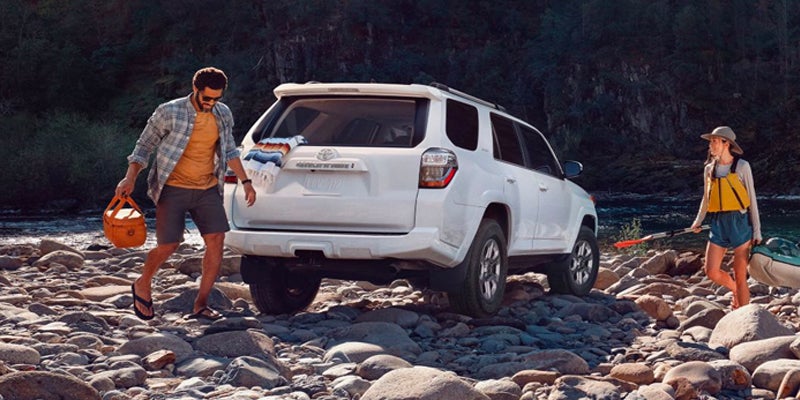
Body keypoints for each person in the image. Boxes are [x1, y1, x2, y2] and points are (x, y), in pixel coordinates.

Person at [115, 67, 256, 321]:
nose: (211, 103)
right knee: (169, 245)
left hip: (207, 188)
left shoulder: (223, 113)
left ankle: (201, 304)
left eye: (216, 99)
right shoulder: (169, 111)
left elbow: (230, 150)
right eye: (207, 98)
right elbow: (144, 146)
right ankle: (143, 282)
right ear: (195, 89)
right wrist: (130, 177)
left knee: (216, 241)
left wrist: (246, 181)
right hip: (173, 187)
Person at [690, 126, 761, 309]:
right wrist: (698, 220)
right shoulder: (709, 169)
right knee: (711, 271)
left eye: (714, 141)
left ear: (726, 143)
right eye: (710, 142)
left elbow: (752, 199)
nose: (711, 145)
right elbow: (706, 198)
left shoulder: (742, 166)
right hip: (718, 222)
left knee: (740, 275)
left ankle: (745, 317)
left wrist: (757, 231)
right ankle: (734, 289)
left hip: (740, 222)